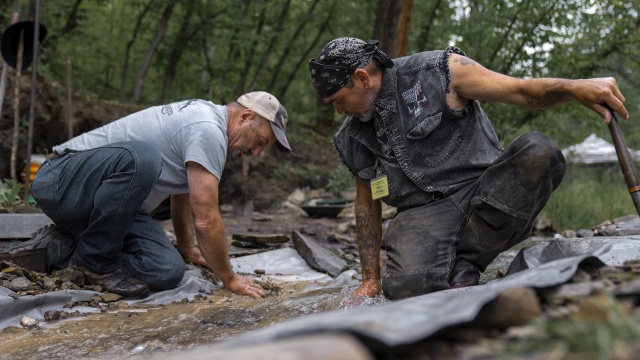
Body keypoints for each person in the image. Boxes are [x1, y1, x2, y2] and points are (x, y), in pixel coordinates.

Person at [308, 37, 629, 300]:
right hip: (421, 216)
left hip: (486, 192)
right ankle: (447, 264)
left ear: (362, 79)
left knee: (537, 151)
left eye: (338, 100)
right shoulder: (351, 135)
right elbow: (366, 204)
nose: (339, 112)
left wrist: (575, 87)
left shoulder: (439, 71)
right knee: (407, 288)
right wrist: (369, 280)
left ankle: (468, 263)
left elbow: (521, 90)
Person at [18, 91, 291, 299]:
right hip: (59, 180)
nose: (255, 153)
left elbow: (182, 195)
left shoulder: (209, 130)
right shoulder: (208, 127)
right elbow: (206, 220)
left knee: (166, 270)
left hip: (101, 206)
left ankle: (65, 249)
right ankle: (96, 261)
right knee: (144, 158)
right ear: (245, 117)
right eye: (260, 142)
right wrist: (230, 279)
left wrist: (186, 248)